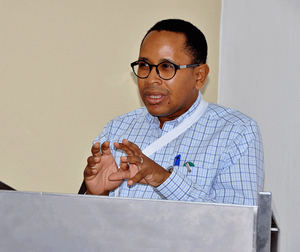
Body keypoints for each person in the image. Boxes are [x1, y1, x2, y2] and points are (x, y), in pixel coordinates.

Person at [83, 19, 264, 205]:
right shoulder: (118, 129)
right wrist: (96, 195)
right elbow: (89, 228)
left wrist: (162, 179)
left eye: (166, 67)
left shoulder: (236, 132)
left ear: (199, 76)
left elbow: (236, 226)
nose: (151, 79)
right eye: (144, 65)